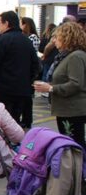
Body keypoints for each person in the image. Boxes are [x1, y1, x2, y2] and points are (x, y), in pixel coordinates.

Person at [33, 22, 86, 150]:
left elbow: (76, 84)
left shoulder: (75, 57)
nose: (54, 40)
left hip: (72, 110)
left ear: (67, 37)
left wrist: (50, 88)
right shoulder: (67, 56)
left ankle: (78, 168)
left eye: (56, 37)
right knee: (72, 143)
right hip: (67, 109)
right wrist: (49, 85)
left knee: (74, 144)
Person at [0, 11, 40, 129]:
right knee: (15, 124)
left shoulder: (4, 39)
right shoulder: (26, 41)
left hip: (4, 91)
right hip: (22, 92)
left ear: (7, 23)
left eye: (0, 23)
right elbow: (36, 65)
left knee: (4, 125)